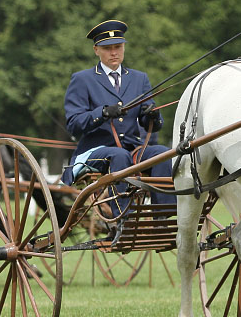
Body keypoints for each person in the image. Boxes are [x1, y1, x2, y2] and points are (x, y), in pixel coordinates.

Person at [62, 20, 175, 216]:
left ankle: (164, 215)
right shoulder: (82, 79)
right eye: (107, 48)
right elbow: (73, 124)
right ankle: (124, 217)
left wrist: (153, 116)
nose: (114, 52)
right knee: (119, 156)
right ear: (96, 50)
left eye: (118, 47)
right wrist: (103, 113)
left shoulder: (140, 79)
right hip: (94, 151)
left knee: (162, 154)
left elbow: (152, 126)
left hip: (131, 149)